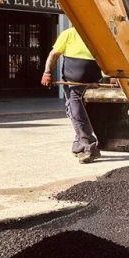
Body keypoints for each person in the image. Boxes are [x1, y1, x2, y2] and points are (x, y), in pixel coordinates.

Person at [41, 27, 103, 164]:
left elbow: (107, 57)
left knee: (77, 112)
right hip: (72, 83)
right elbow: (53, 55)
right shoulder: (69, 34)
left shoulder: (98, 34)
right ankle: (86, 146)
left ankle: (83, 146)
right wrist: (47, 72)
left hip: (93, 83)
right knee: (75, 112)